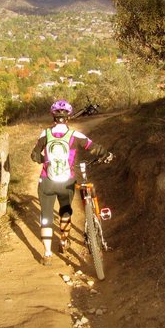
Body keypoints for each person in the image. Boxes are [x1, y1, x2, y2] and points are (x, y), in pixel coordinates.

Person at [30, 99, 110, 266]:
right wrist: (106, 155)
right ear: (68, 117)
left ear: (53, 116)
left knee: (46, 216)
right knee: (65, 211)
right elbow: (94, 147)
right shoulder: (75, 135)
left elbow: (35, 156)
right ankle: (64, 241)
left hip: (47, 180)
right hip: (66, 181)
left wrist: (47, 160)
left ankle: (47, 253)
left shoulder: (45, 134)